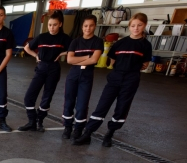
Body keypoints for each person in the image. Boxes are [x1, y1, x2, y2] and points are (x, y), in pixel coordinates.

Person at [73, 13, 152, 147]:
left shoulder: (146, 45)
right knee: (102, 105)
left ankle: (110, 134)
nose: (136, 28)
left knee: (122, 107)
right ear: (129, 27)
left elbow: (145, 63)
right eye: (133, 25)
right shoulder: (120, 43)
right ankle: (88, 133)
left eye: (139, 25)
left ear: (144, 26)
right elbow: (112, 61)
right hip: (115, 77)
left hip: (131, 79)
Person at [19, 11, 71, 132]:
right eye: (50, 25)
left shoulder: (64, 38)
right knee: (29, 96)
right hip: (41, 68)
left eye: (55, 25)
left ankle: (40, 121)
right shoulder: (42, 37)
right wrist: (36, 56)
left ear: (60, 24)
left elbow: (74, 49)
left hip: (54, 69)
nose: (52, 27)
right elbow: (27, 48)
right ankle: (31, 121)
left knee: (47, 98)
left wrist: (63, 53)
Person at [61, 15, 104, 141]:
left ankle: (78, 128)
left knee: (82, 104)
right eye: (86, 26)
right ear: (82, 27)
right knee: (69, 102)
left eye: (91, 26)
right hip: (73, 75)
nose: (88, 28)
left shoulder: (97, 42)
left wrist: (77, 60)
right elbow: (69, 59)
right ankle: (67, 127)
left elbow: (95, 59)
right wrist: (86, 57)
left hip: (86, 76)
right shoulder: (75, 41)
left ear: (95, 26)